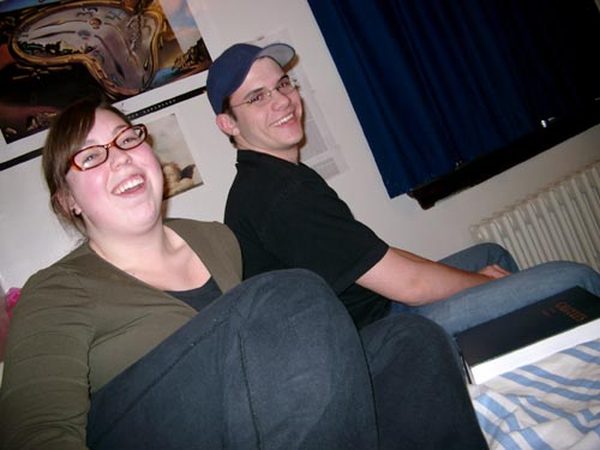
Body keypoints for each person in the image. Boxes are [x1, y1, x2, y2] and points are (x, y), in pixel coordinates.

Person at [0, 97, 488, 449]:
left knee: (409, 339)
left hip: (250, 424)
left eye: (127, 138)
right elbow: (35, 432)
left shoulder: (217, 239)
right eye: (90, 156)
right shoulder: (57, 291)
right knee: (293, 295)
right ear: (67, 201)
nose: (121, 156)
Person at [206, 42, 600, 334]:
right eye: (257, 97)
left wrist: (479, 279)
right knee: (573, 277)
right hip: (377, 339)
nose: (282, 101)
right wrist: (488, 284)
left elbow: (376, 255)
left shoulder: (273, 175)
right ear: (229, 124)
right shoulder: (279, 196)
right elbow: (410, 286)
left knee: (490, 253)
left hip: (377, 307)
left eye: (283, 84)